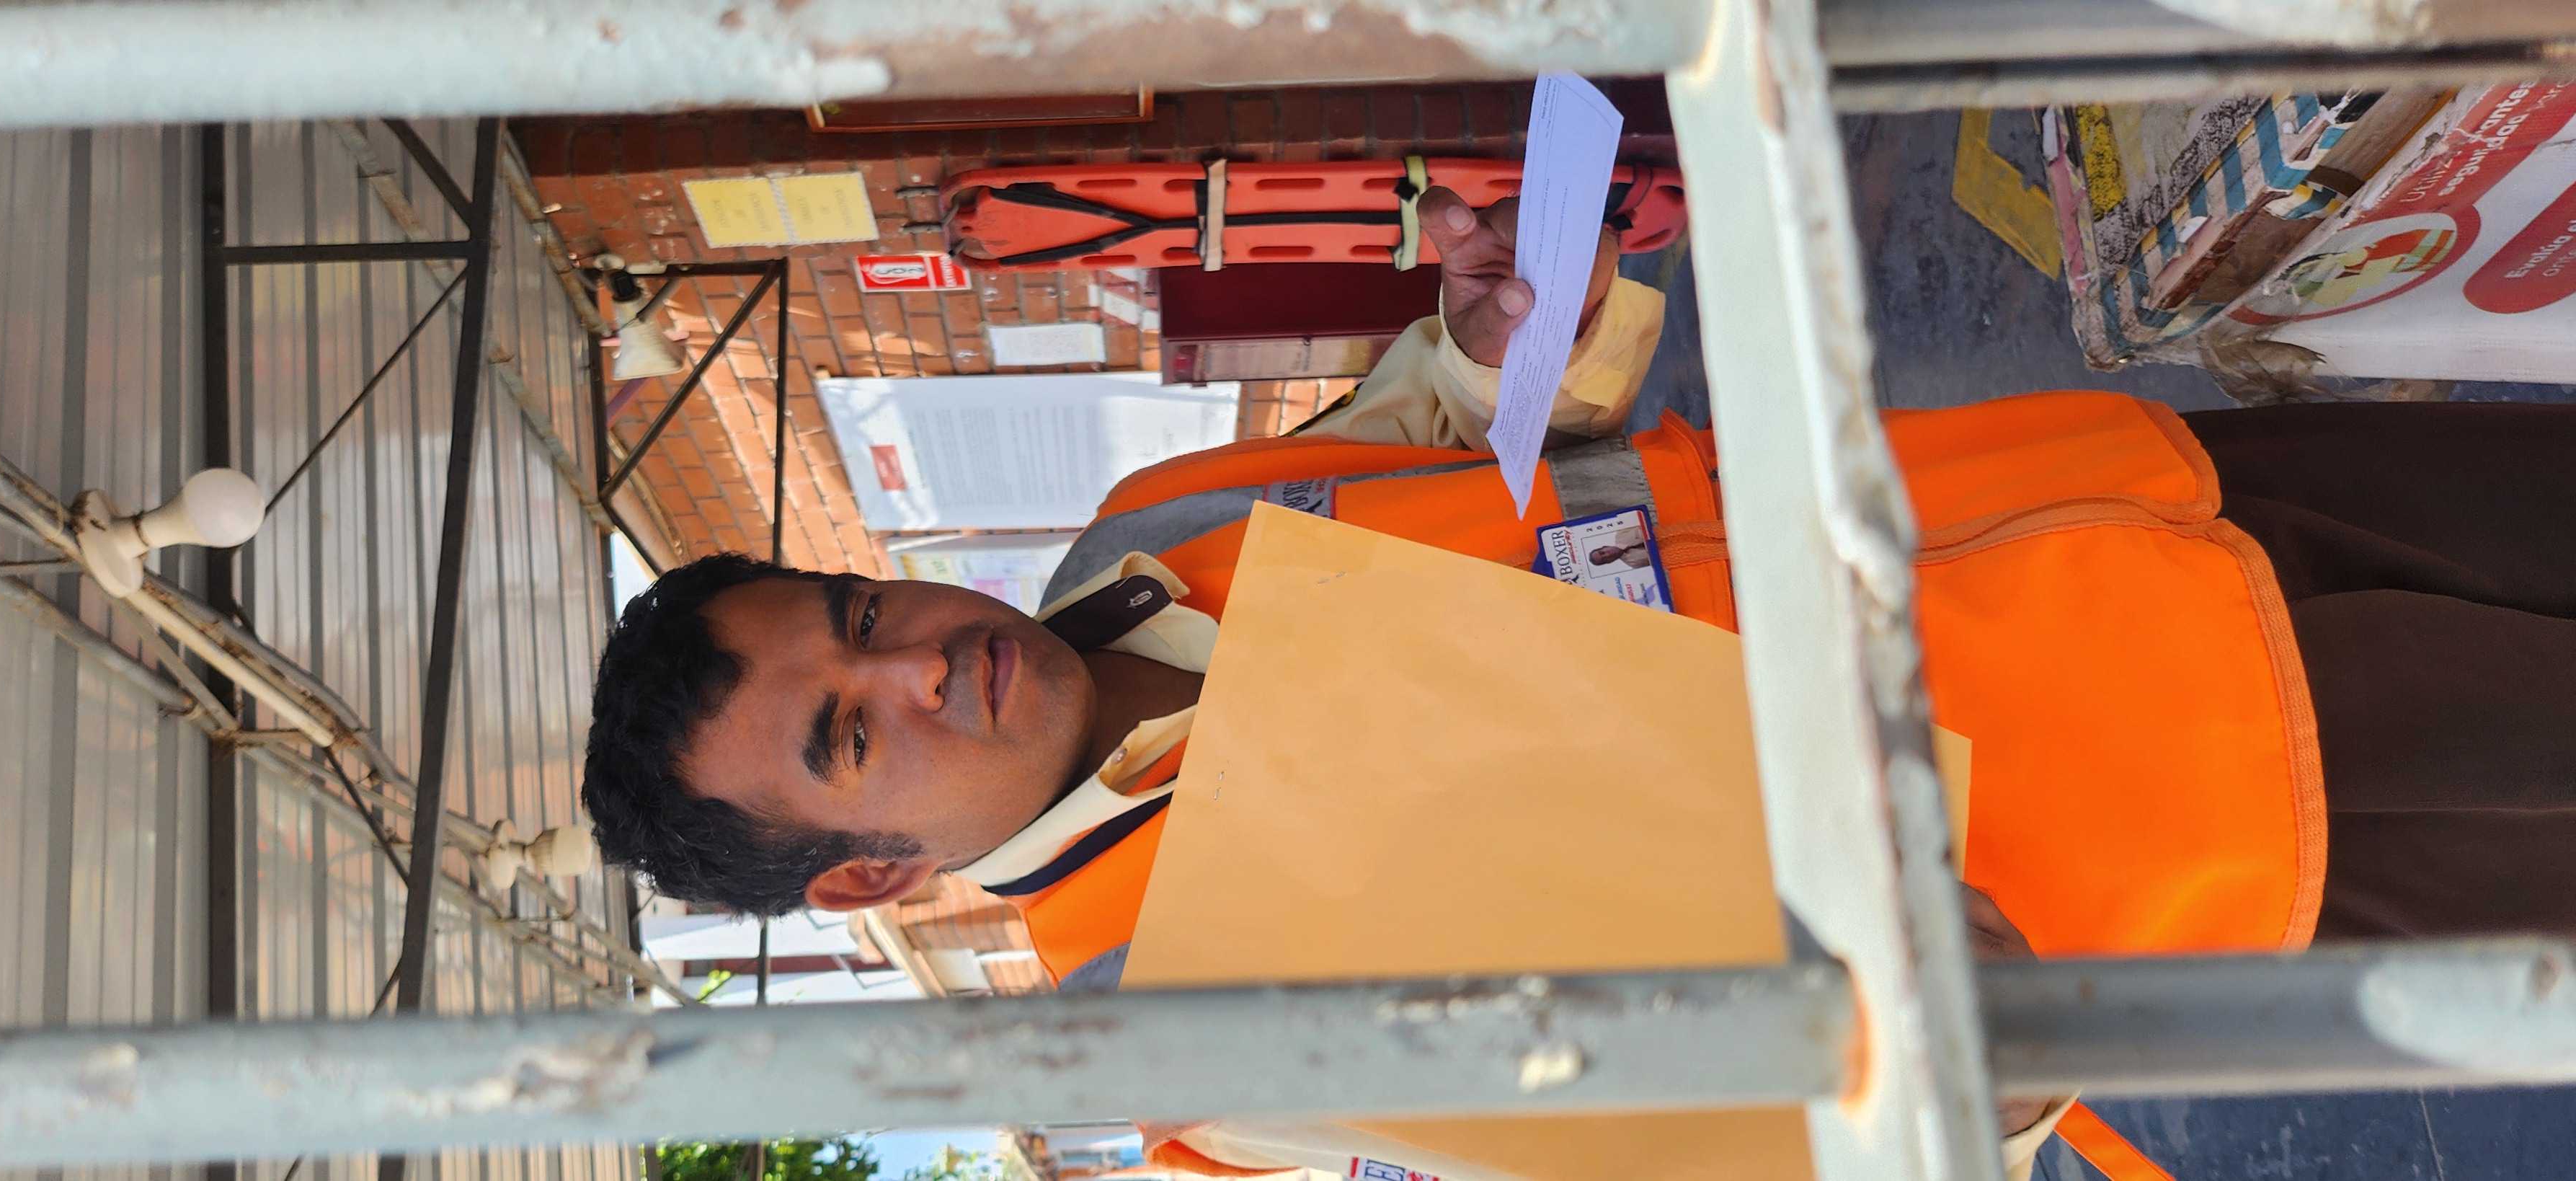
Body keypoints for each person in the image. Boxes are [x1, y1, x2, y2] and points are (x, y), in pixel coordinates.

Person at [582, 187, 2576, 1180]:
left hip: (2124, 494)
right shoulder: (1176, 1035)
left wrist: (1490, 334)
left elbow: (1442, 435)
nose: (924, 658)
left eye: (860, 610)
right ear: (868, 877)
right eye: (854, 732)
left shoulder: (1143, 526)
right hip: (2224, 817)